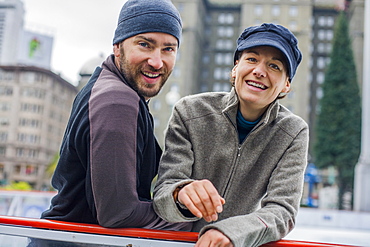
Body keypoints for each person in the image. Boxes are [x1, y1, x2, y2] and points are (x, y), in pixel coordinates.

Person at [153, 23, 308, 247]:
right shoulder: (188, 111)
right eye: (252, 59)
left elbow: (282, 211)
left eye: (274, 66)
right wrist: (180, 192)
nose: (259, 71)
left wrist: (230, 233)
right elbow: (162, 195)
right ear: (236, 68)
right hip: (175, 243)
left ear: (286, 85)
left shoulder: (293, 132)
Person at [41, 0, 189, 231]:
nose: (157, 62)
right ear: (117, 47)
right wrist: (197, 222)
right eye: (144, 45)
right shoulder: (117, 101)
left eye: (168, 49)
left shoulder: (115, 89)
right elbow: (119, 214)